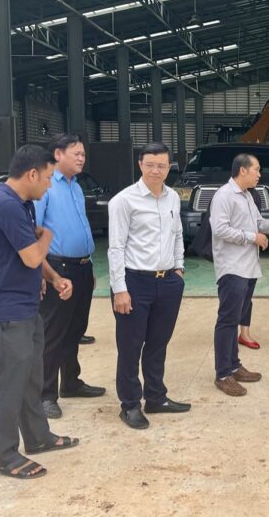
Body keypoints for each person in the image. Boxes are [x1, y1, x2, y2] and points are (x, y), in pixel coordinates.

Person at [0, 145, 79, 479]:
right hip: (3, 312)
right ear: (32, 174)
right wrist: (48, 234)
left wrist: (54, 278)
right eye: (47, 178)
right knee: (9, 384)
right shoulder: (3, 204)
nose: (49, 185)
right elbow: (32, 255)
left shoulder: (23, 205)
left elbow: (33, 255)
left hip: (25, 307)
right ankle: (6, 456)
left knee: (31, 378)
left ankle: (38, 437)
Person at [108, 142, 190, 429]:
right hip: (134, 282)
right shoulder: (123, 201)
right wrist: (120, 289)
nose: (156, 170)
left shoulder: (173, 198)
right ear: (140, 165)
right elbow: (116, 247)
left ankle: (156, 397)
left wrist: (178, 268)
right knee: (130, 347)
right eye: (150, 165)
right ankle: (130, 404)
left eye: (162, 165)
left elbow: (177, 234)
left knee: (158, 343)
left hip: (167, 282)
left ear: (169, 167)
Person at [209, 153, 269, 396]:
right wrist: (252, 238)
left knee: (236, 319)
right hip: (232, 268)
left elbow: (260, 224)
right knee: (227, 321)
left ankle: (234, 366)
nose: (259, 174)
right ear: (243, 170)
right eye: (257, 169)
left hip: (248, 267)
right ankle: (223, 374)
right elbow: (220, 230)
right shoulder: (224, 196)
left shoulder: (248, 196)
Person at [34, 134, 105, 420]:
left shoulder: (75, 186)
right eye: (76, 153)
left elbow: (81, 227)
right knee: (53, 333)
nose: (82, 158)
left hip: (82, 267)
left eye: (83, 154)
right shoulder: (46, 185)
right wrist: (41, 273)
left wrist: (90, 266)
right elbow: (33, 232)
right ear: (58, 154)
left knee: (75, 329)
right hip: (57, 268)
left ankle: (71, 382)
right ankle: (45, 395)